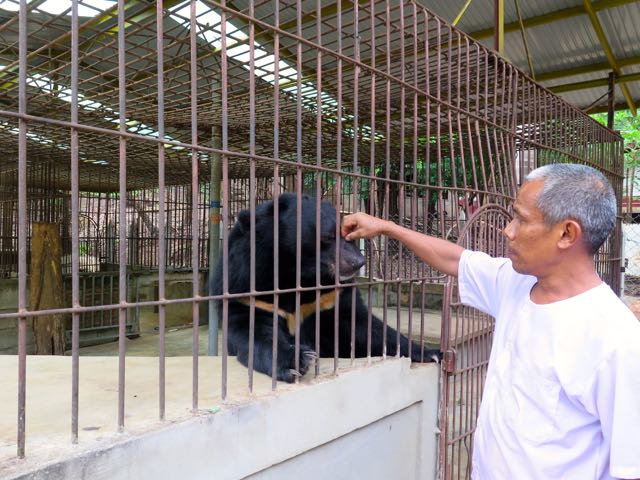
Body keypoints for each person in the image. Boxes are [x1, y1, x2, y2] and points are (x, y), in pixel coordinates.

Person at [341, 163, 640, 480]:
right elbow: (455, 259)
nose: (508, 230)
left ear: (567, 234)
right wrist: (387, 227)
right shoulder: (516, 284)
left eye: (521, 220)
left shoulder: (615, 341)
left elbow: (630, 467)